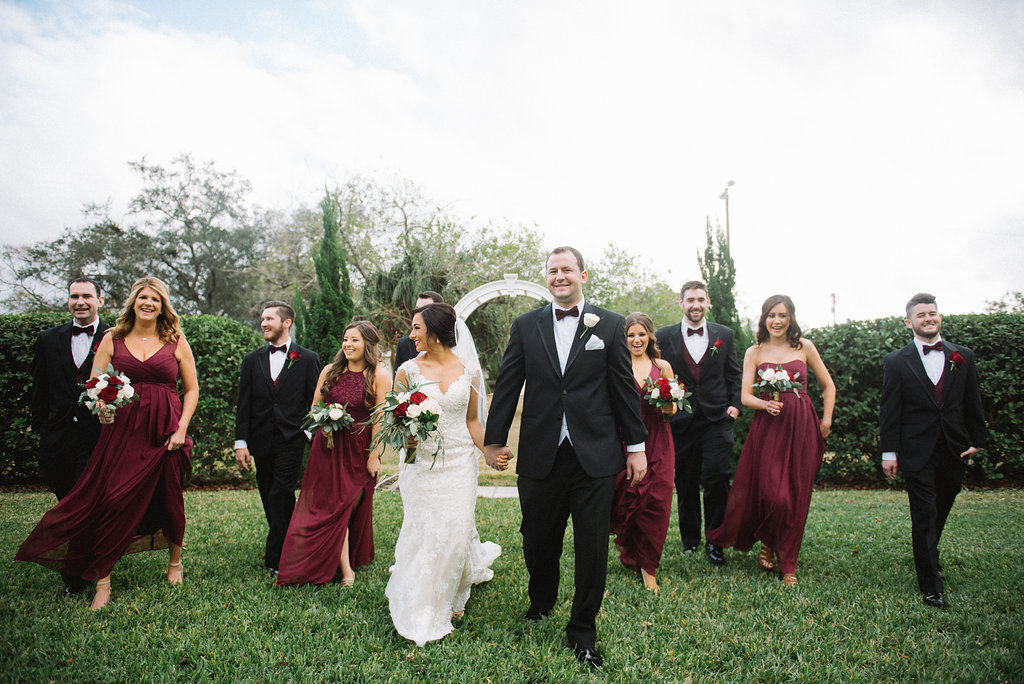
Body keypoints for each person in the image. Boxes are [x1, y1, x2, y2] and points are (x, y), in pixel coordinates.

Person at [484, 246, 647, 670]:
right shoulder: (525, 325)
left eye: (567, 270)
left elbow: (623, 389)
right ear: (547, 277)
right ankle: (541, 601)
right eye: (553, 271)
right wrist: (493, 440)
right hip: (541, 452)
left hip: (594, 455)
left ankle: (583, 630)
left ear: (583, 275)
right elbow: (508, 384)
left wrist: (636, 447)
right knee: (538, 538)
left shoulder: (609, 325)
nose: (560, 276)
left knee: (592, 547)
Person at [16, 276, 199, 610]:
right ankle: (103, 580)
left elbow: (191, 389)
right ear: (133, 301)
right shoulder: (112, 337)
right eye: (143, 297)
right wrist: (102, 407)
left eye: (155, 299)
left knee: (170, 497)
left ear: (163, 305)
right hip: (123, 431)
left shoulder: (175, 339)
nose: (148, 303)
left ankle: (175, 562)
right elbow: (93, 383)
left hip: (166, 430)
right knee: (111, 500)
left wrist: (181, 429)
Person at [386, 302, 500, 647]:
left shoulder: (469, 370)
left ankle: (452, 595)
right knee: (425, 531)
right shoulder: (407, 371)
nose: (411, 335)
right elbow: (395, 421)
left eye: (417, 328)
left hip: (460, 463)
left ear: (434, 331)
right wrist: (406, 432)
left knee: (455, 530)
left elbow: (472, 422)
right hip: (421, 463)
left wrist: (490, 452)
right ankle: (422, 602)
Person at [707, 295, 834, 586]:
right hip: (768, 427)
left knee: (794, 496)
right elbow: (744, 396)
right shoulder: (755, 351)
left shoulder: (804, 347)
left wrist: (825, 421)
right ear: (764, 319)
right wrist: (765, 405)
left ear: (791, 318)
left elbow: (828, 386)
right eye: (771, 315)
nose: (777, 321)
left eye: (782, 315)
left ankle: (787, 562)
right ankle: (768, 539)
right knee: (770, 493)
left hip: (801, 425)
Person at [879, 293, 987, 608]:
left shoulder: (962, 356)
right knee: (923, 514)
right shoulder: (896, 361)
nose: (929, 318)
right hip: (915, 450)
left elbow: (972, 400)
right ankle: (931, 584)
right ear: (908, 322)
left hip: (954, 448)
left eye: (933, 313)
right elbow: (890, 410)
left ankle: (929, 551)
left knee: (944, 503)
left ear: (939, 317)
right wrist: (889, 452)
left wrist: (977, 439)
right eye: (922, 314)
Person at [276, 321, 389, 587]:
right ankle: (346, 571)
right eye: (345, 339)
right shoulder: (330, 371)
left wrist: (375, 455)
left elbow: (381, 418)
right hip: (328, 447)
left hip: (359, 450)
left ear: (368, 345)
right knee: (332, 508)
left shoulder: (379, 375)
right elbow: (316, 406)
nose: (348, 345)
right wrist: (324, 422)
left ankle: (342, 560)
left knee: (349, 506)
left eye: (355, 340)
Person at [30, 277, 110, 597]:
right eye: (74, 296)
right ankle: (88, 557)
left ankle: (75, 576)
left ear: (100, 301)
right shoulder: (48, 339)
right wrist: (43, 429)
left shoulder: (114, 337)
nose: (80, 301)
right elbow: (39, 389)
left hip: (96, 436)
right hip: (57, 438)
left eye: (87, 296)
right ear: (68, 301)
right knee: (66, 500)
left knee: (83, 502)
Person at [655, 281, 742, 566]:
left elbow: (734, 374)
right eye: (690, 299)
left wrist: (735, 405)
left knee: (717, 476)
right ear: (680, 303)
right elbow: (657, 375)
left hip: (717, 418)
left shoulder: (724, 335)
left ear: (708, 303)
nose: (695, 304)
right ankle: (690, 541)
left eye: (700, 299)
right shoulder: (664, 336)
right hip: (680, 420)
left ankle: (715, 540)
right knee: (686, 480)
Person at [234, 302, 320, 574]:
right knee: (267, 492)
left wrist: (305, 432)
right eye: (262, 319)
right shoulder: (252, 360)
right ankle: (288, 541)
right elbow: (244, 404)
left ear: (287, 322)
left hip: (291, 438)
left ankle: (277, 558)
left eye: (269, 318)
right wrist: (241, 442)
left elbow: (314, 401)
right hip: (260, 440)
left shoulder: (306, 358)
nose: (263, 323)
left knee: (281, 492)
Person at [610, 313, 677, 592]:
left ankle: (649, 566)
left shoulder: (662, 367)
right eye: (630, 335)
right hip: (625, 439)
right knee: (628, 496)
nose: (636, 340)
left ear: (650, 336)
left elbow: (673, 408)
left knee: (656, 501)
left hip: (658, 438)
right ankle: (632, 552)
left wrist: (666, 406)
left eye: (641, 334)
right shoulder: (615, 364)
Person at [392, 291, 444, 375]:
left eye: (424, 309)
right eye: (417, 308)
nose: (419, 313)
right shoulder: (404, 344)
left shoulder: (452, 345)